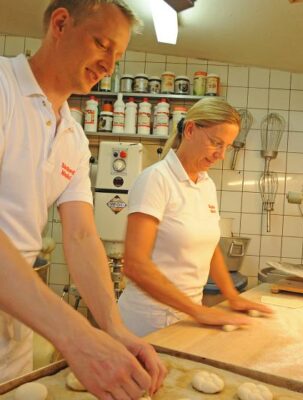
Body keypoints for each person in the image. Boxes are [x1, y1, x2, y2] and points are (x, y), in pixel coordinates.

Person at [0, 0, 166, 398]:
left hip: (14, 328)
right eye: (102, 44)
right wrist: (75, 336)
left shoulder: (72, 136)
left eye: (118, 56)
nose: (109, 65)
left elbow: (81, 237)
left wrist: (112, 326)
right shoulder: (3, 88)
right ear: (60, 24)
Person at [118, 97, 272, 337]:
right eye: (215, 143)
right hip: (147, 320)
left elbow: (210, 249)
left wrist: (232, 297)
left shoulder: (206, 184)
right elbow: (135, 265)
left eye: (227, 147)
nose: (221, 155)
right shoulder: (156, 179)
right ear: (190, 130)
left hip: (185, 316)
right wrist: (198, 311)